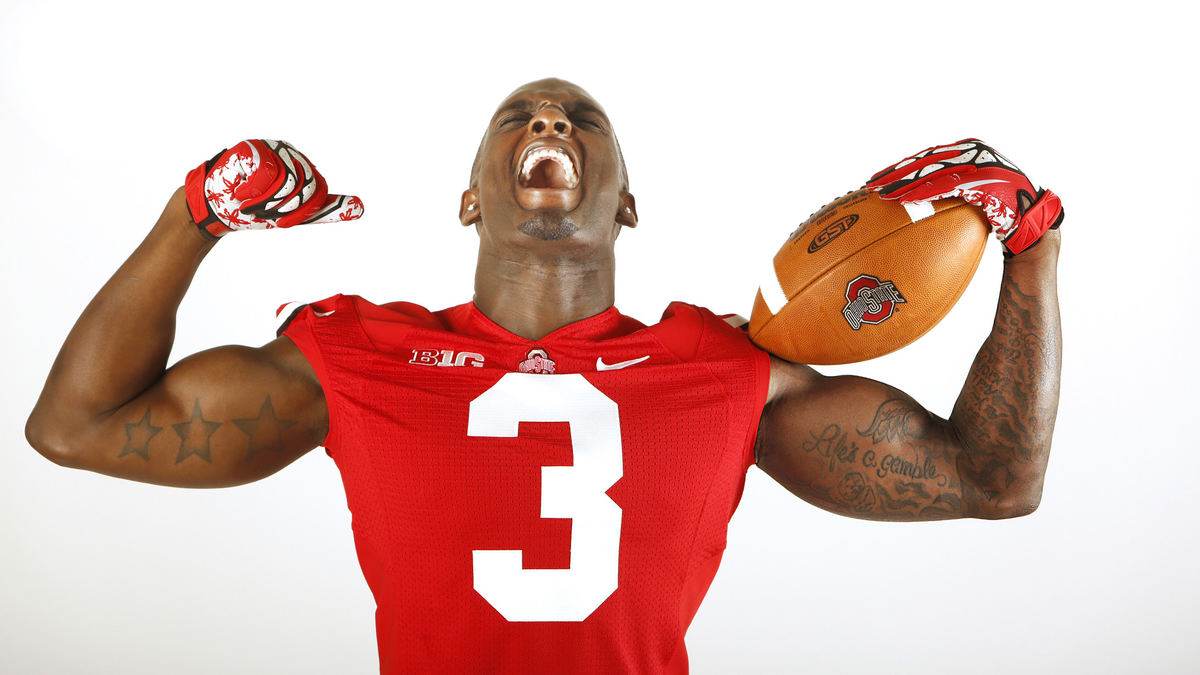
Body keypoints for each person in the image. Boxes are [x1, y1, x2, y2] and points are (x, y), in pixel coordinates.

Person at [25, 78, 1062, 674]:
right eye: (518, 115)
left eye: (582, 118)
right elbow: (76, 427)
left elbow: (991, 478)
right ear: (470, 200)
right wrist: (192, 218)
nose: (551, 122)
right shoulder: (355, 356)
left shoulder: (725, 368)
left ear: (629, 204)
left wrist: (1031, 251)